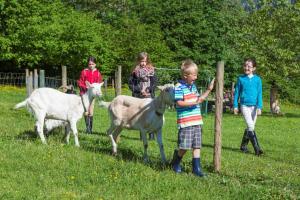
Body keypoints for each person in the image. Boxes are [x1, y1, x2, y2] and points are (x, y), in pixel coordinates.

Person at [171, 59, 214, 177]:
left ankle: (197, 169)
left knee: (197, 145)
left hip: (197, 121)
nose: (196, 76)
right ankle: (175, 162)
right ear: (185, 76)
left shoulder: (193, 87)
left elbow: (199, 99)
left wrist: (209, 89)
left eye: (196, 74)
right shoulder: (179, 87)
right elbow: (179, 103)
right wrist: (193, 103)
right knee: (184, 147)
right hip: (186, 122)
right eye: (194, 74)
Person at [233, 58, 263, 156]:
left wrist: (259, 107)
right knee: (250, 126)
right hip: (244, 105)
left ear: (254, 68)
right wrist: (235, 106)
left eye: (249, 66)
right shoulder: (241, 79)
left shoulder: (258, 80)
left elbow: (259, 94)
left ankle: (243, 146)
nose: (246, 68)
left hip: (254, 107)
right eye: (245, 65)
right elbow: (236, 93)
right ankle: (257, 149)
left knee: (250, 127)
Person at [128, 52, 157, 140]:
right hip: (139, 97)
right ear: (138, 61)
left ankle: (151, 136)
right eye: (141, 61)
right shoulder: (134, 72)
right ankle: (142, 136)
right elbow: (131, 84)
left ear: (147, 61)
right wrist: (139, 90)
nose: (143, 63)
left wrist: (148, 90)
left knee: (151, 115)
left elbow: (154, 83)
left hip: (149, 96)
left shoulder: (152, 71)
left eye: (144, 61)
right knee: (141, 116)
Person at [77, 56, 103, 134]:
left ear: (95, 64)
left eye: (92, 64)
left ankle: (90, 129)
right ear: (88, 64)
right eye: (89, 64)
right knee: (85, 111)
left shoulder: (98, 73)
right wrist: (86, 88)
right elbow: (80, 82)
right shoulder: (84, 71)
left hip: (92, 95)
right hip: (84, 94)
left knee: (91, 111)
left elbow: (98, 84)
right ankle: (87, 127)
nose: (91, 65)